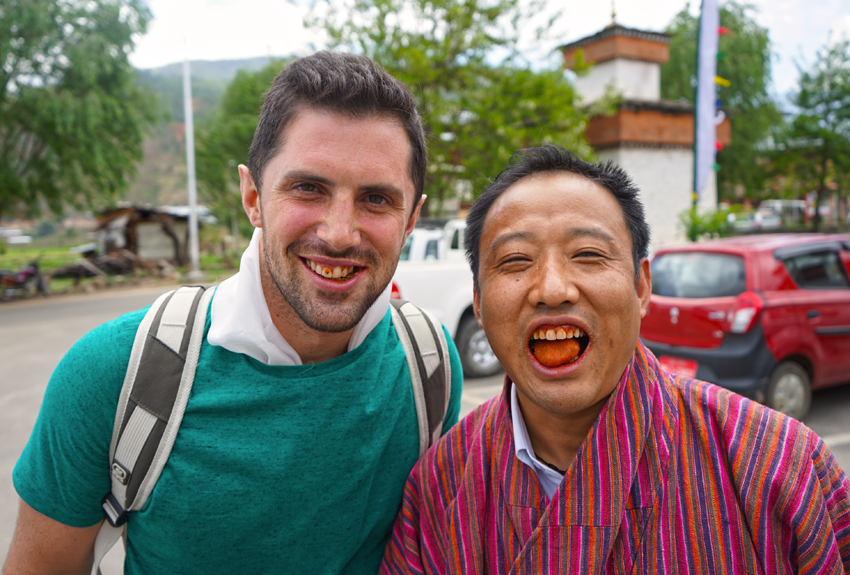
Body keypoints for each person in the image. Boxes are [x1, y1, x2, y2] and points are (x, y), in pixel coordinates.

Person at [4, 52, 462, 575]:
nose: (339, 232)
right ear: (253, 197)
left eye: (377, 199)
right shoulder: (115, 372)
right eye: (308, 188)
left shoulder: (430, 368)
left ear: (411, 220)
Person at [381, 145, 850, 574]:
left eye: (587, 254)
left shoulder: (780, 465)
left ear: (641, 287)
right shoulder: (440, 488)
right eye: (516, 261)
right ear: (479, 305)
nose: (552, 289)